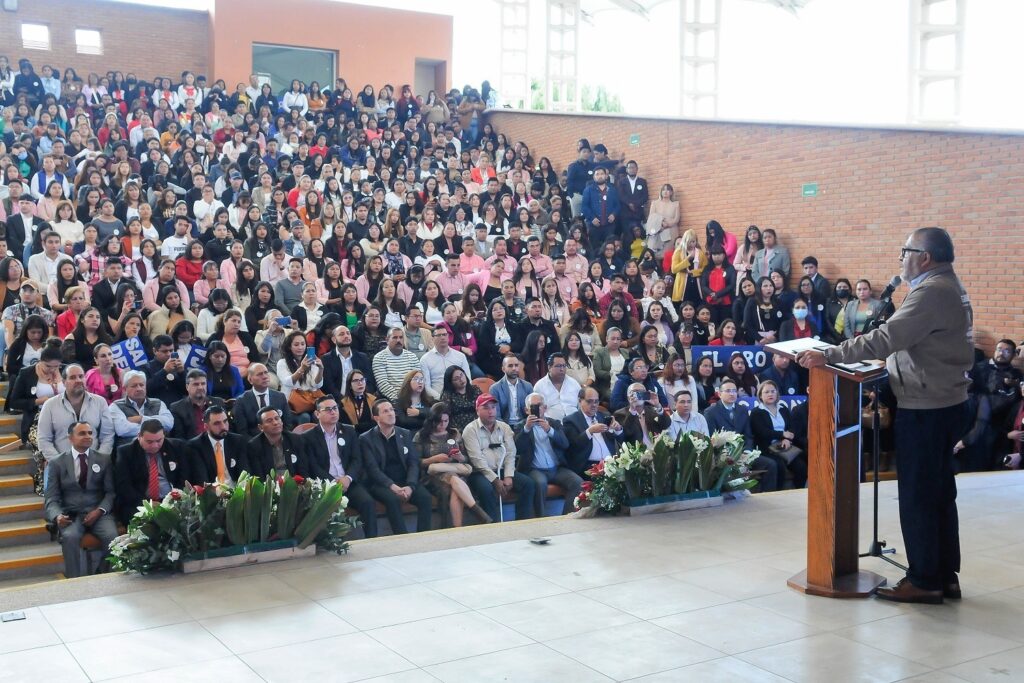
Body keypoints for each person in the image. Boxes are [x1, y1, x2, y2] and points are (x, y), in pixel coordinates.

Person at [797, 227, 974, 604]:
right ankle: (944, 574)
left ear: (925, 257)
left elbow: (888, 337)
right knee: (939, 492)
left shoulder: (931, 291)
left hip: (927, 407)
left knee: (919, 496)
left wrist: (828, 355)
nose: (901, 258)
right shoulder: (947, 286)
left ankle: (925, 580)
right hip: (945, 401)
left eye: (905, 250)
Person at [44, 421, 118, 578]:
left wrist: (99, 511)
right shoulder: (57, 463)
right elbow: (51, 497)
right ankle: (74, 580)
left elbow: (110, 492)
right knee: (70, 537)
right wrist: (57, 516)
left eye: (90, 433)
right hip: (72, 514)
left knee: (112, 536)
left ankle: (104, 575)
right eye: (82, 433)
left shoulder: (104, 459)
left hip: (98, 512)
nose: (88, 436)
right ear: (70, 438)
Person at [301, 395, 379, 536]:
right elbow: (313, 466)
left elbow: (357, 459)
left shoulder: (349, 431)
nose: (333, 412)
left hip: (348, 482)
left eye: (335, 408)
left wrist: (347, 478)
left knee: (367, 502)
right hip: (326, 485)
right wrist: (334, 482)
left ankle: (372, 540)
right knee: (326, 508)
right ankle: (332, 543)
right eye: (328, 409)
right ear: (317, 414)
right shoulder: (308, 437)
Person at [359, 399, 433, 534]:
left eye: (392, 410)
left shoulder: (404, 433)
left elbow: (413, 463)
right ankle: (402, 538)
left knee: (425, 498)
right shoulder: (366, 439)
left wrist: (410, 485)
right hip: (381, 484)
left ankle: (424, 538)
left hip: (405, 480)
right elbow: (372, 469)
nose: (391, 414)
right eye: (385, 411)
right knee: (392, 500)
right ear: (376, 418)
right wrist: (392, 486)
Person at [413, 402, 491, 528]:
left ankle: (457, 529)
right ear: (432, 420)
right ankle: (477, 513)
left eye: (446, 421)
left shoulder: (454, 433)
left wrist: (459, 456)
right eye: (439, 421)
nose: (442, 425)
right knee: (455, 481)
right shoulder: (422, 435)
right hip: (432, 475)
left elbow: (465, 459)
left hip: (455, 469)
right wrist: (433, 459)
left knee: (455, 483)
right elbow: (416, 462)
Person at [463, 393, 535, 521]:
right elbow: (476, 459)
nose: (491, 411)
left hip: (502, 469)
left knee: (528, 484)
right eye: (486, 408)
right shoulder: (470, 430)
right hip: (480, 473)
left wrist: (508, 475)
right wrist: (495, 480)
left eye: (493, 407)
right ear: (477, 410)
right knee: (486, 489)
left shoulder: (504, 427)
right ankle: (492, 527)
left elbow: (511, 453)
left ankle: (523, 523)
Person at [704, 378, 780, 492]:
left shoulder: (742, 409)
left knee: (770, 464)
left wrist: (747, 452)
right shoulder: (711, 412)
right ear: (719, 394)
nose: (732, 394)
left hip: (744, 453)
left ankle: (767, 496)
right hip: (724, 457)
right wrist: (729, 455)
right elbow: (712, 439)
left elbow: (748, 435)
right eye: (728, 391)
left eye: (734, 391)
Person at [113, 419, 193, 524]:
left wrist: (173, 499)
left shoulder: (177, 447)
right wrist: (147, 503)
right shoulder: (126, 452)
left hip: (172, 499)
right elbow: (124, 487)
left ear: (164, 435)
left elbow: (183, 478)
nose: (155, 445)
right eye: (149, 442)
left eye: (159, 440)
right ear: (139, 436)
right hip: (139, 503)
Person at [514, 392, 581, 517]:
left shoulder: (554, 423)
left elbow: (565, 444)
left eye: (539, 406)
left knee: (578, 482)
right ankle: (541, 519)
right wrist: (527, 429)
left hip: (557, 468)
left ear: (545, 408)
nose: (537, 409)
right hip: (535, 469)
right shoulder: (520, 426)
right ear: (526, 410)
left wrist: (550, 431)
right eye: (532, 407)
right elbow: (517, 449)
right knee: (540, 483)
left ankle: (567, 516)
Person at [750, 380, 807, 489]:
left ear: (777, 394)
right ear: (760, 396)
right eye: (766, 392)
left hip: (785, 447)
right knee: (778, 465)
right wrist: (782, 434)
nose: (770, 394)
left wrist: (787, 440)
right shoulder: (756, 412)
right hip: (767, 448)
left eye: (773, 391)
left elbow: (791, 427)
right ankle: (778, 495)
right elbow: (763, 432)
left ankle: (797, 493)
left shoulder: (783, 409)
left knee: (801, 466)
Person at [563, 387, 623, 476]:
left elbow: (618, 441)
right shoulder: (571, 420)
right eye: (589, 401)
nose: (594, 405)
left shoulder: (604, 416)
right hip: (589, 466)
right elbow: (573, 446)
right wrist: (589, 431)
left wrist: (618, 430)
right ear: (580, 401)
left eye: (596, 401)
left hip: (610, 462)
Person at [107, 370, 174, 449]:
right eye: (134, 386)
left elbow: (168, 423)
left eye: (141, 385)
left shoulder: (158, 403)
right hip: (130, 451)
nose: (139, 388)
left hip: (158, 448)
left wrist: (141, 418)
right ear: (125, 389)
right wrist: (156, 428)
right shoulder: (116, 406)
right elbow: (123, 429)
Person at [187, 404, 249, 485]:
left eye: (225, 421)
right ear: (206, 426)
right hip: (212, 493)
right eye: (217, 423)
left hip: (237, 491)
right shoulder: (195, 446)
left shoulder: (238, 441)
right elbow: (202, 480)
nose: (223, 427)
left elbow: (244, 473)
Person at [232, 363, 295, 437]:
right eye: (259, 374)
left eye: (266, 373)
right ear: (250, 380)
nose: (265, 377)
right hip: (253, 444)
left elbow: (288, 424)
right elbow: (242, 431)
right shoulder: (241, 401)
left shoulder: (280, 397)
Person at [247, 406, 311, 477]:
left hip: (296, 484)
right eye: (269, 420)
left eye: (277, 418)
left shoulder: (295, 439)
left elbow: (304, 469)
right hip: (270, 486)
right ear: (261, 427)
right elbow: (258, 475)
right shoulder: (254, 446)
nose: (275, 423)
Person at [321, 324, 375, 399]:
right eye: (341, 334)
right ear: (334, 339)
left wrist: (363, 398)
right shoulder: (326, 359)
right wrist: (344, 402)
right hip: (338, 401)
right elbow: (328, 386)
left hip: (362, 399)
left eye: (348, 333)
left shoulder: (362, 357)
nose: (346, 336)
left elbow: (370, 382)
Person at [170, 369, 224, 440]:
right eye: (196, 384)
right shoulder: (177, 408)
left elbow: (226, 430)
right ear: (187, 387)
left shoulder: (218, 403)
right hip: (192, 448)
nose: (200, 387)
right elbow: (180, 439)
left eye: (203, 383)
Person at [420, 326, 471, 399]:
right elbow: (426, 386)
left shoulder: (460, 356)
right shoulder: (425, 359)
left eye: (444, 334)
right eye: (438, 335)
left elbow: (468, 379)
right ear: (432, 338)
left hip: (461, 397)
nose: (442, 337)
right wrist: (441, 398)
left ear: (448, 336)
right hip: (438, 399)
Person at [614, 382, 671, 447]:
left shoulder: (653, 410)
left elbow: (666, 425)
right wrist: (632, 410)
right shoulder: (620, 414)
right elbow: (627, 433)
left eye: (642, 392)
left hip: (657, 450)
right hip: (637, 453)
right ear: (628, 398)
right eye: (634, 392)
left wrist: (658, 405)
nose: (638, 395)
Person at [371, 327, 420, 401]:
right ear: (387, 340)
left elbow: (419, 379)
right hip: (391, 400)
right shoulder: (379, 358)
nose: (398, 340)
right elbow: (383, 384)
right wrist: (400, 400)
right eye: (395, 337)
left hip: (413, 397)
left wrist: (413, 397)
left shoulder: (412, 356)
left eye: (401, 337)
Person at [532, 352, 582, 421]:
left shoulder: (574, 384)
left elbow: (581, 407)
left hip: (574, 424)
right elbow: (537, 412)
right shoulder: (539, 386)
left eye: (564, 366)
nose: (562, 369)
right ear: (549, 367)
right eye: (558, 366)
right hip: (551, 426)